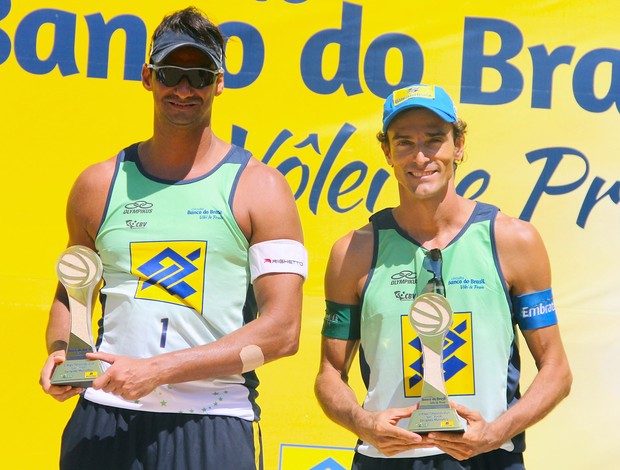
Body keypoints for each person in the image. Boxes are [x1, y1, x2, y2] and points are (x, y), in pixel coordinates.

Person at [39, 6, 306, 470]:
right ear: (148, 77)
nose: (184, 89)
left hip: (212, 418)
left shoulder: (261, 188)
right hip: (106, 416)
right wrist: (63, 353)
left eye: (199, 75)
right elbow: (72, 293)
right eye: (170, 73)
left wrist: (159, 370)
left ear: (219, 82)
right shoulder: (97, 185)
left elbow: (283, 331)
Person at [314, 83, 572, 469]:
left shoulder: (513, 240)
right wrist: (365, 424)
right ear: (386, 151)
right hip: (389, 459)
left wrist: (497, 433)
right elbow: (329, 374)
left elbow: (557, 370)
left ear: (459, 145)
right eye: (404, 142)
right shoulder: (353, 252)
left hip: (487, 457)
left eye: (434, 140)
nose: (420, 156)